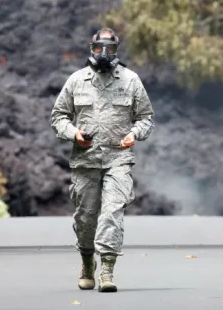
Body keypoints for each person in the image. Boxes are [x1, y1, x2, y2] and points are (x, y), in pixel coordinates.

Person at [50, 27, 155, 293]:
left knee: (112, 212)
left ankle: (107, 270)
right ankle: (87, 263)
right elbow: (58, 116)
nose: (104, 54)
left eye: (110, 49)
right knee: (86, 218)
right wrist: (74, 133)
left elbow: (145, 117)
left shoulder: (130, 80)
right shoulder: (77, 80)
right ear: (91, 48)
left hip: (118, 158)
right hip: (85, 161)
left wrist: (134, 133)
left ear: (117, 51)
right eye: (99, 49)